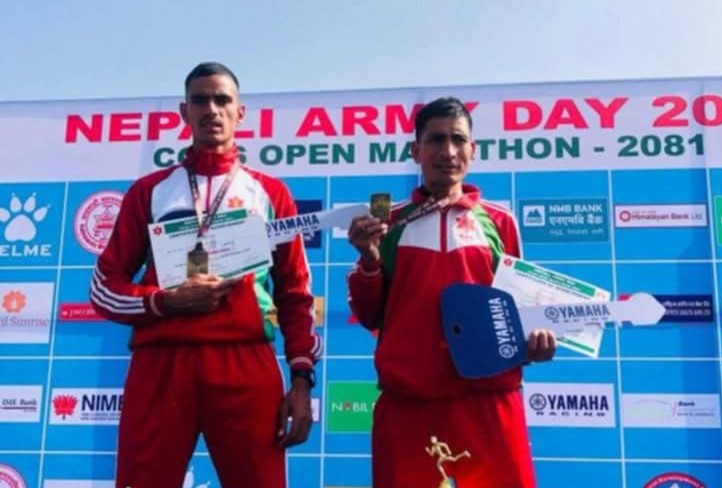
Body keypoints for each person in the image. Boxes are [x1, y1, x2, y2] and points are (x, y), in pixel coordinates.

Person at [89, 62, 321, 488]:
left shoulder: (270, 193)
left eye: (222, 100)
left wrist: (302, 380)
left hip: (244, 360)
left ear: (240, 112)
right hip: (162, 363)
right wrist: (166, 301)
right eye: (200, 100)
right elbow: (104, 288)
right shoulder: (150, 191)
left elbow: (295, 295)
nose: (211, 109)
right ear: (184, 111)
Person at [347, 97, 556, 487]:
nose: (448, 151)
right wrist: (369, 261)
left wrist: (534, 343)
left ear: (473, 150)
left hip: (489, 402)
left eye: (458, 139)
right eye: (436, 139)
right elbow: (370, 314)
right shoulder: (389, 223)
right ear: (416, 150)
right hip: (408, 406)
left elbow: (519, 315)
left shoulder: (499, 221)